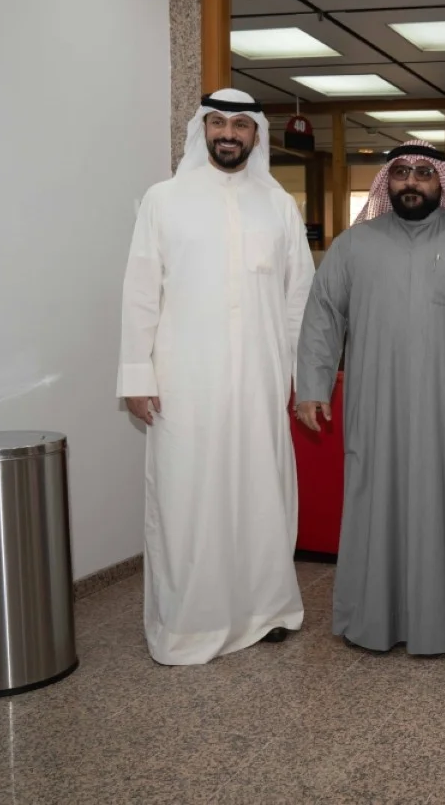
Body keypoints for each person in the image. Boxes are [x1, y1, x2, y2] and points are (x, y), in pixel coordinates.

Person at [295, 139, 445, 656]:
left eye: (424, 172)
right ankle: (370, 617)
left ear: (443, 181)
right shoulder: (354, 246)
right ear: (388, 181)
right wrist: (312, 386)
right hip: (376, 405)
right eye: (401, 171)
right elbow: (322, 315)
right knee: (375, 499)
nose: (411, 181)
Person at [116, 88, 314, 665]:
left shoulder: (277, 204)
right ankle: (188, 625)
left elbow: (299, 298)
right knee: (187, 496)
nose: (229, 133)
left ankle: (267, 610)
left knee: (260, 493)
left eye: (240, 125)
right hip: (184, 379)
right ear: (202, 129)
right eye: (218, 123)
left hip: (260, 379)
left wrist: (300, 376)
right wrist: (136, 375)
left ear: (256, 134)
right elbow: (139, 291)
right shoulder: (164, 200)